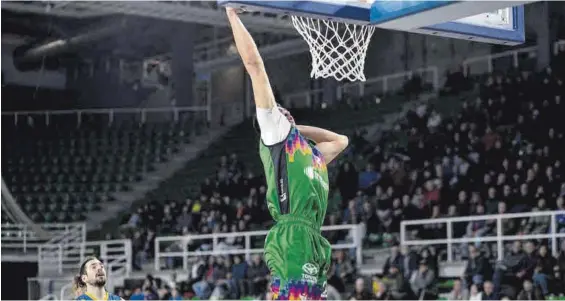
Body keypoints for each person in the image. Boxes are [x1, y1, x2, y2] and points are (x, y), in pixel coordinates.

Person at [226, 7, 349, 300]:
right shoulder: (276, 134)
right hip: (292, 235)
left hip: (313, 237)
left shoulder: (311, 153)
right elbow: (254, 65)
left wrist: (298, 129)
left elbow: (341, 140)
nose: (280, 111)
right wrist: (232, 14)